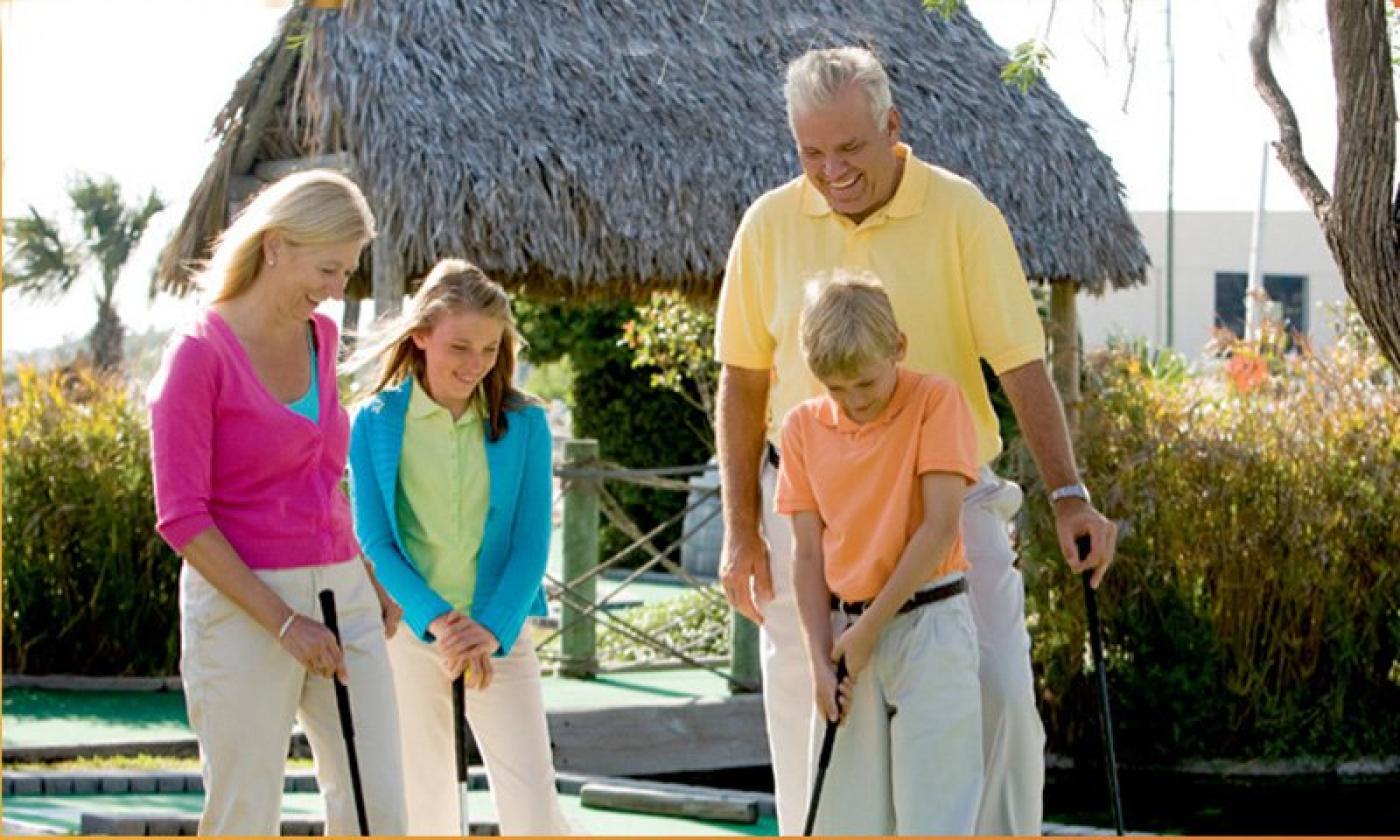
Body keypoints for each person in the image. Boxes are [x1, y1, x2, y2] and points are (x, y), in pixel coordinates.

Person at [713, 46, 1119, 835]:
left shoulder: (963, 214)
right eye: (812, 152)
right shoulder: (767, 224)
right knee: (807, 688)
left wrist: (1070, 493)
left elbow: (1020, 363)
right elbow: (744, 380)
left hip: (950, 493)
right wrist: (738, 527)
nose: (831, 170)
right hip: (812, 510)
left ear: (892, 125)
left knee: (999, 683)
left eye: (850, 148)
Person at [148, 169, 407, 835]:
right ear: (276, 247)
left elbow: (319, 477)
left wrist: (366, 572)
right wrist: (285, 624)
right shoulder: (197, 355)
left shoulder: (319, 338)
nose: (336, 291)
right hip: (242, 606)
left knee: (377, 810)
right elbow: (182, 517)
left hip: (343, 594)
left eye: (347, 273)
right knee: (244, 814)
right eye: (328, 268)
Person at [345, 258, 572, 836]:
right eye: (460, 347)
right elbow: (375, 539)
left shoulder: (525, 424)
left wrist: (489, 628)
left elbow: (530, 543)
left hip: (501, 632)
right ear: (421, 336)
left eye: (490, 350)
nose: (476, 366)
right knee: (427, 807)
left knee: (534, 809)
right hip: (415, 637)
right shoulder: (372, 422)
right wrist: (440, 623)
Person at [779, 271, 983, 835]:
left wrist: (868, 630)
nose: (852, 402)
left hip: (930, 625)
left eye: (865, 384)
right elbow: (807, 557)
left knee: (935, 818)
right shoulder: (800, 427)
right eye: (835, 389)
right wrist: (820, 658)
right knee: (849, 822)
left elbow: (940, 527)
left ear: (899, 347)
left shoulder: (935, 400)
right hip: (845, 636)